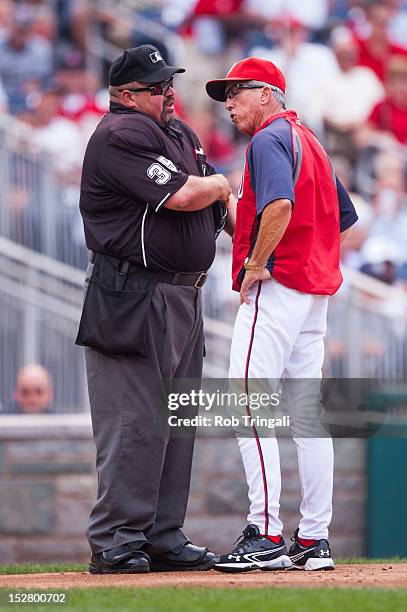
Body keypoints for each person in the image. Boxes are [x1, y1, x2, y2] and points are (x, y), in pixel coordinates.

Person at [76, 45, 232, 574]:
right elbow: (190, 195)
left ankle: (161, 535)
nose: (167, 92)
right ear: (124, 95)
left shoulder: (178, 132)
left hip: (184, 293)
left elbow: (214, 201)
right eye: (154, 86)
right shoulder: (121, 133)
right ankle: (118, 539)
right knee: (135, 421)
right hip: (132, 294)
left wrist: (259, 247)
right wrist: (219, 185)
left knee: (177, 418)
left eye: (168, 83)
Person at [206, 56, 358, 572]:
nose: (228, 102)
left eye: (237, 91)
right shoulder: (309, 140)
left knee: (245, 399)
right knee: (306, 417)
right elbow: (344, 216)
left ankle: (267, 532)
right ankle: (314, 539)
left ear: (267, 93)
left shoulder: (269, 139)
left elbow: (279, 207)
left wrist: (256, 262)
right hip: (313, 293)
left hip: (281, 285)